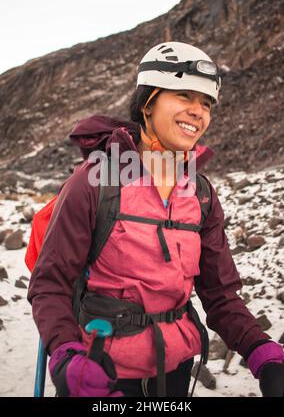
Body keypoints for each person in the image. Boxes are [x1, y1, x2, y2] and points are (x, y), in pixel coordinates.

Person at [27, 41, 284, 398]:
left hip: (174, 374)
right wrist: (67, 356)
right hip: (99, 374)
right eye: (185, 96)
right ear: (148, 103)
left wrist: (262, 351)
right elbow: (50, 285)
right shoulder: (93, 182)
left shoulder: (201, 194)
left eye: (207, 103)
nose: (199, 111)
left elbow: (220, 295)